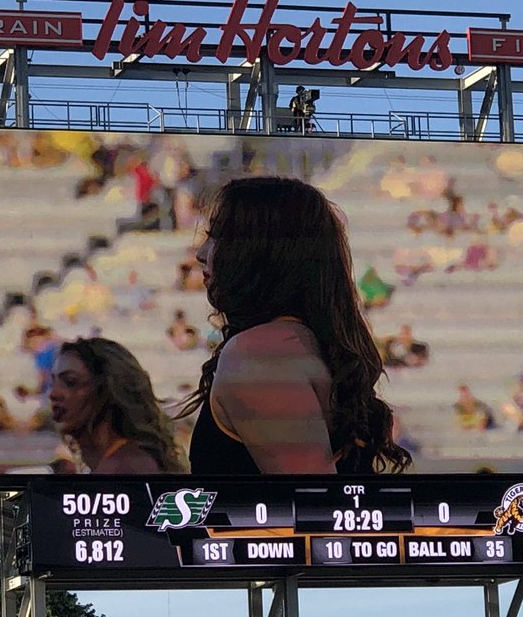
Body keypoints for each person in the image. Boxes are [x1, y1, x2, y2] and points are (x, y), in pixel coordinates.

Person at [182, 176, 412, 475]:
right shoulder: (300, 342)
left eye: (218, 237)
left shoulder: (261, 354)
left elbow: (316, 508)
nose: (201, 254)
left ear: (259, 252)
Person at [48, 338, 188, 474]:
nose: (53, 394)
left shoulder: (127, 468)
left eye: (70, 381)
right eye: (53, 382)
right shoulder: (121, 461)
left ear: (108, 391)